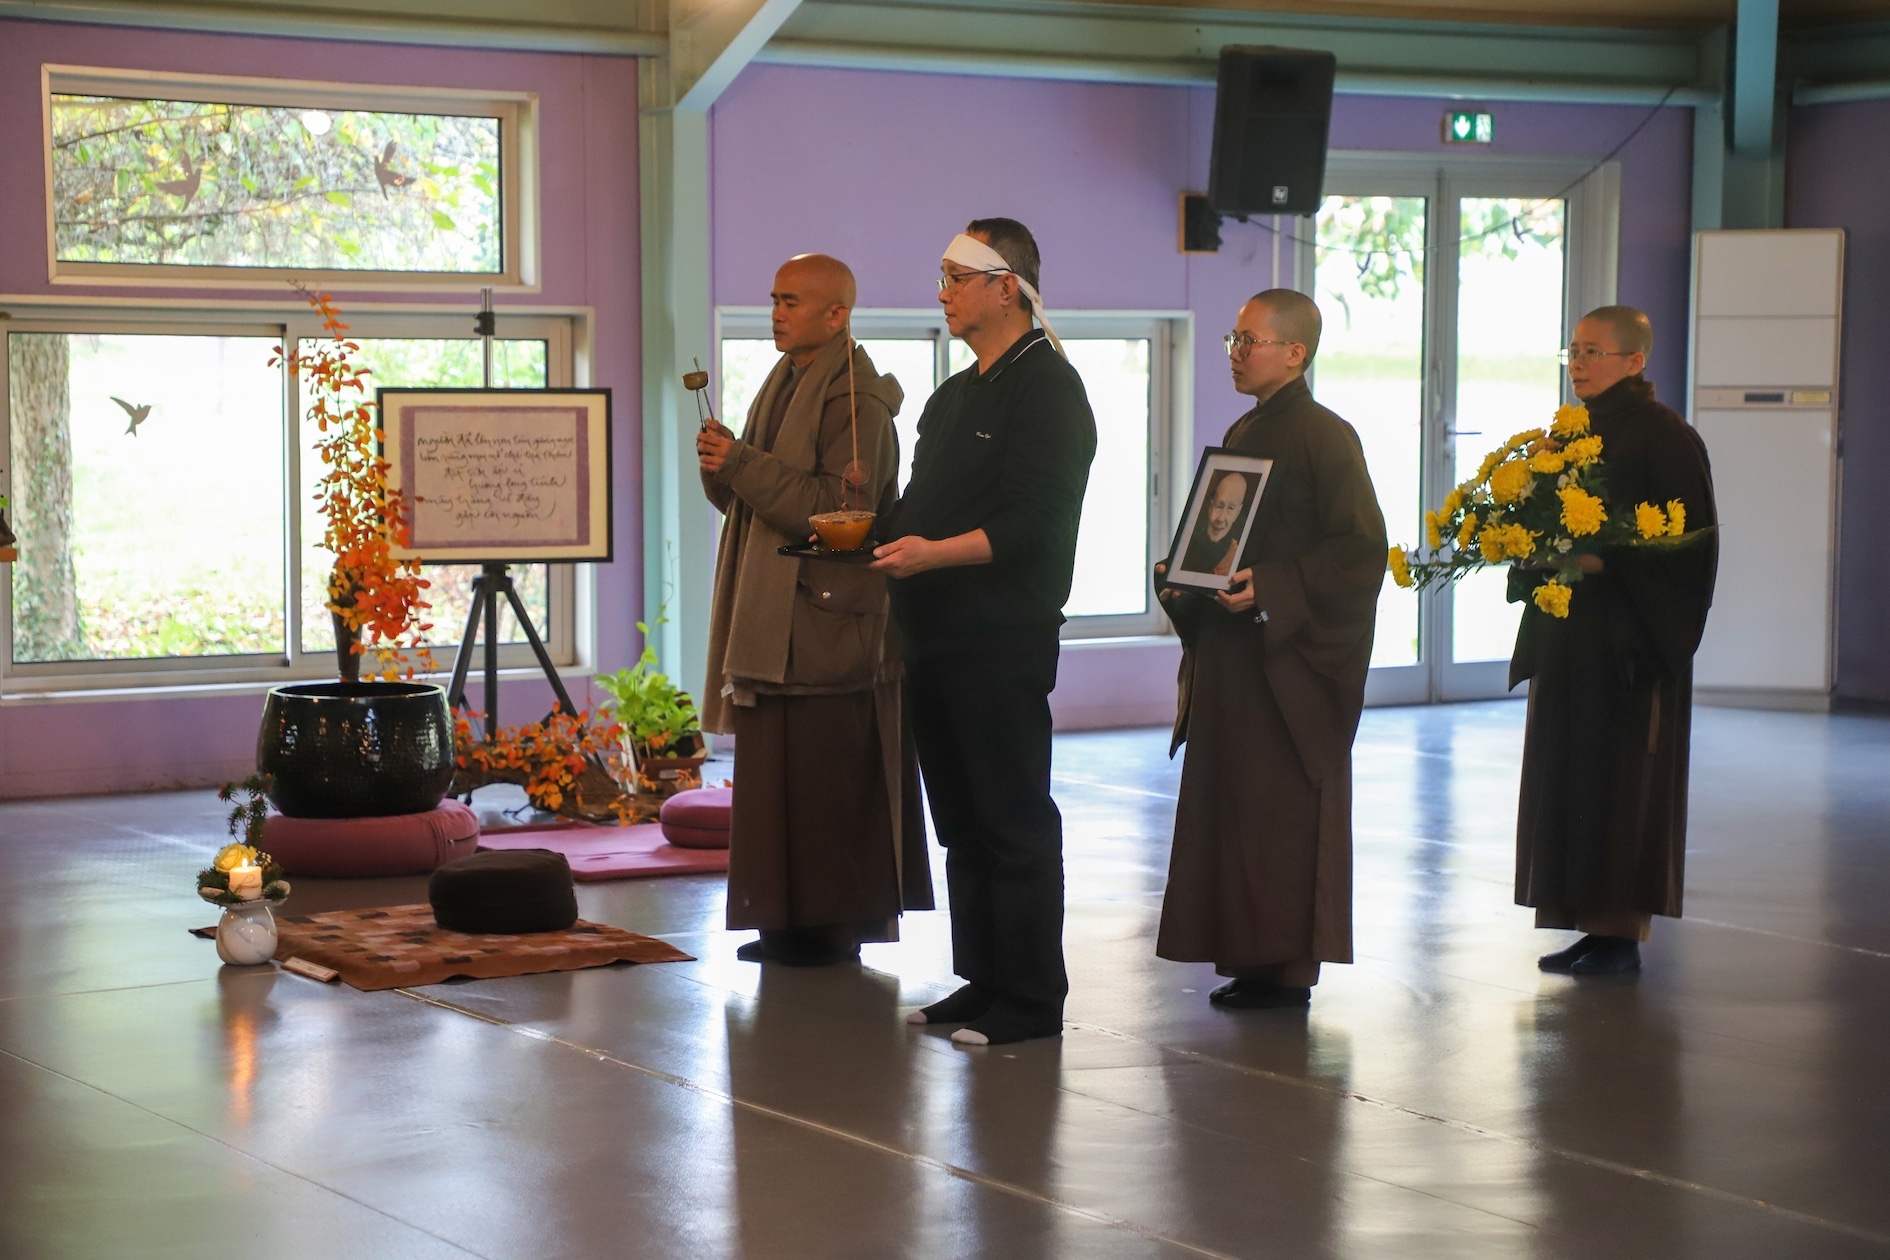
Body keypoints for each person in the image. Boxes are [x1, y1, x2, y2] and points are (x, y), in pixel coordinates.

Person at [873, 218, 1097, 1046]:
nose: (942, 293)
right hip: (933, 633)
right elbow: (919, 507)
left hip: (1001, 638)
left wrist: (932, 554)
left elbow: (1037, 524)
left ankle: (1032, 999)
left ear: (1007, 287)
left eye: (955, 277)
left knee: (1011, 819)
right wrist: (867, 533)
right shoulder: (954, 395)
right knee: (962, 824)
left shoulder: (1049, 390)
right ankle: (985, 978)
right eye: (941, 276)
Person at [697, 253, 932, 966]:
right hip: (775, 617)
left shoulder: (858, 401)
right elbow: (754, 506)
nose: (776, 313)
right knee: (775, 779)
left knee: (829, 777)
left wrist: (741, 463)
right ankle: (784, 921)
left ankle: (832, 927)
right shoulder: (784, 383)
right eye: (774, 299)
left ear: (837, 315)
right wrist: (723, 466)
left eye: (791, 301)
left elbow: (839, 514)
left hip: (829, 622)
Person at [1154, 290, 1387, 1010]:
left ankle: (1287, 972)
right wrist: (1189, 574)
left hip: (1288, 666)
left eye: (1248, 340)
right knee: (1237, 812)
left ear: (1295, 352)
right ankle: (1252, 959)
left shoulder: (1327, 436)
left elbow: (1362, 551)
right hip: (1235, 656)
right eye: (1233, 339)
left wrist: (1273, 586)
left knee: (1279, 815)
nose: (1235, 353)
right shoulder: (1247, 428)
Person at [1511, 305, 1717, 976]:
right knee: (1572, 779)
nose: (1578, 363)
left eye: (1593, 352)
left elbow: (1688, 546)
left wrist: (1600, 561)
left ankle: (1620, 932)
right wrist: (1528, 548)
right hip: (1571, 636)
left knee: (1623, 781)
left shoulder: (1666, 437)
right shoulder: (1570, 435)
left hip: (1630, 643)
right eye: (1573, 350)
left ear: (1635, 361)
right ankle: (1588, 924)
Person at [1180, 470, 1253, 577]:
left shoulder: (1236, 556)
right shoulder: (1189, 545)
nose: (1221, 518)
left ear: (1237, 513)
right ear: (1211, 507)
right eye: (1219, 506)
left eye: (1231, 508)